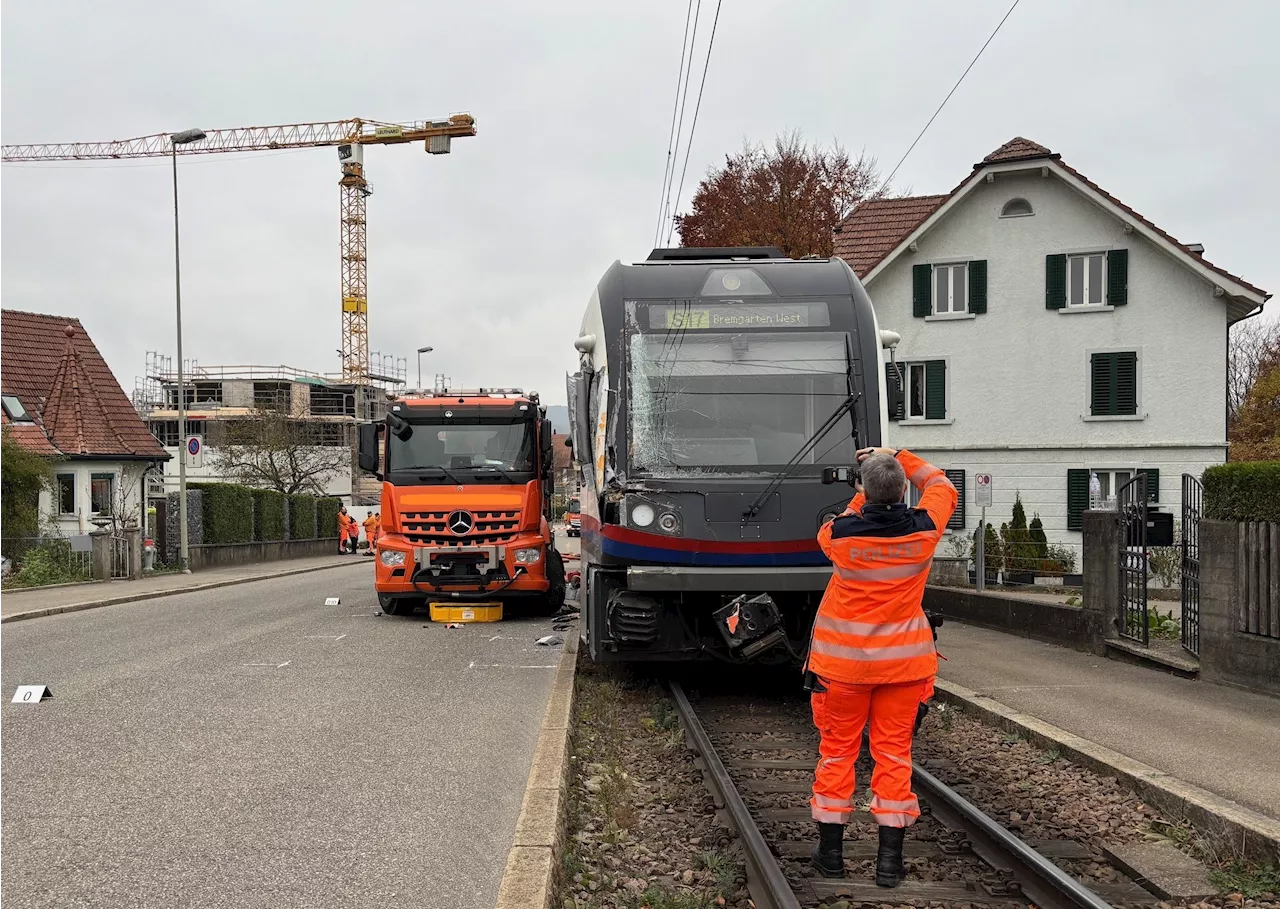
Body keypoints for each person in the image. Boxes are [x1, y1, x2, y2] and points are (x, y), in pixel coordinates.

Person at [805, 446, 957, 887]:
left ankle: (830, 855)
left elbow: (845, 519)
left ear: (865, 491)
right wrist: (898, 456)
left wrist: (861, 493)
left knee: (837, 754)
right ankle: (889, 864)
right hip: (904, 670)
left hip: (844, 671)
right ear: (903, 491)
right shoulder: (926, 530)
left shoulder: (839, 536)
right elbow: (942, 484)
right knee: (894, 756)